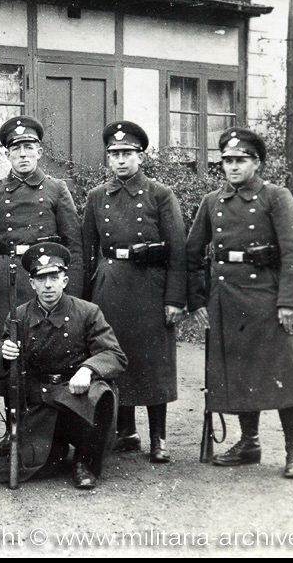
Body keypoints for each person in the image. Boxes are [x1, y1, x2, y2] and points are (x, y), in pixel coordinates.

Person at [187, 127, 293, 479]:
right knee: (240, 372)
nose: (232, 166)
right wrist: (198, 299)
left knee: (283, 374)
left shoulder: (276, 196)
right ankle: (249, 443)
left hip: (269, 299)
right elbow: (193, 253)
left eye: (240, 160)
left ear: (256, 163)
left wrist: (291, 302)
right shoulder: (213, 202)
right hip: (227, 300)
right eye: (226, 160)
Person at [0, 115, 83, 454]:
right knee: (10, 353)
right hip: (7, 280)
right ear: (7, 154)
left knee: (50, 352)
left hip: (48, 279)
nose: (23, 155)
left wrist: (73, 293)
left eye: (28, 148)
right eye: (15, 149)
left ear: (39, 151)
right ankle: (13, 429)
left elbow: (74, 245)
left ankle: (53, 428)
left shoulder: (56, 189)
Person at [82, 121, 186, 463]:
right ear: (108, 159)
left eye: (127, 154)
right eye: (114, 155)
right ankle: (125, 432)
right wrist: (85, 300)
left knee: (154, 361)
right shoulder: (97, 197)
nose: (121, 161)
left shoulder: (160, 194)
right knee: (114, 355)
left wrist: (174, 299)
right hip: (110, 286)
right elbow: (87, 251)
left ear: (140, 156)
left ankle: (159, 437)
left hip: (149, 287)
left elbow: (178, 252)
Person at [0, 243, 126, 490]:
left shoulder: (87, 312)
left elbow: (114, 354)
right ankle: (53, 450)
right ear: (32, 283)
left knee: (101, 393)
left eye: (54, 278)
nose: (48, 286)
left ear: (64, 280)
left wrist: (88, 370)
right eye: (41, 279)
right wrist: (5, 353)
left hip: (75, 394)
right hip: (39, 400)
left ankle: (84, 461)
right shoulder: (19, 316)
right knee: (42, 466)